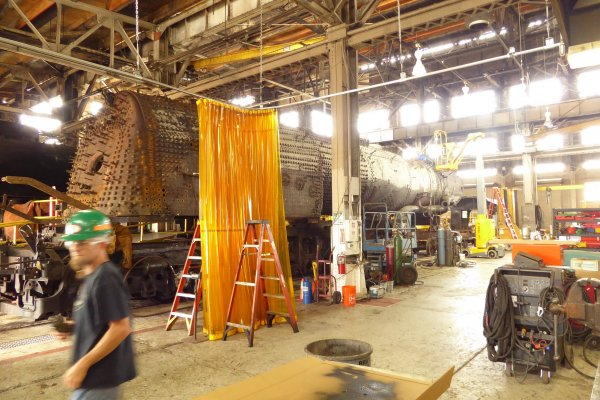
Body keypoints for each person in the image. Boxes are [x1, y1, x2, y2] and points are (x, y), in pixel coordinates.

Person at [57, 209, 136, 399]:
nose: (75, 247)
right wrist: (73, 327)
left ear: (101, 243)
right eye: (72, 242)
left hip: (98, 382)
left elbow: (120, 328)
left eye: (82, 242)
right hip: (91, 381)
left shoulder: (105, 278)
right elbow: (99, 319)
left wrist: (82, 365)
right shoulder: (92, 276)